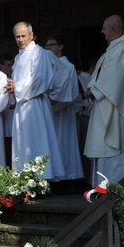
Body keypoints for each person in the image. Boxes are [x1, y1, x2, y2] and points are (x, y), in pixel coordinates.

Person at [84, 15, 124, 186]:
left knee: (116, 143)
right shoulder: (114, 49)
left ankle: (119, 183)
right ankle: (105, 184)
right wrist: (92, 88)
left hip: (116, 106)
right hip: (105, 104)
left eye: (104, 28)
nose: (102, 32)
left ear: (114, 30)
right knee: (105, 143)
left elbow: (114, 78)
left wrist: (94, 91)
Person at [8, 22, 64, 180]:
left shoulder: (39, 53)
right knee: (22, 141)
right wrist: (11, 86)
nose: (20, 39)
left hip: (35, 104)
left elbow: (39, 79)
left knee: (37, 141)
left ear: (31, 36)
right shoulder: (19, 57)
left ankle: (41, 178)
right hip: (21, 105)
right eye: (17, 36)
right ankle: (24, 177)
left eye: (23, 36)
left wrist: (16, 87)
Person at [45, 36, 84, 181]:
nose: (49, 49)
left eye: (52, 45)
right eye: (47, 46)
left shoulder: (68, 67)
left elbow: (73, 92)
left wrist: (56, 101)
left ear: (61, 47)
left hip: (64, 111)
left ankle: (67, 177)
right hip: (51, 112)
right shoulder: (48, 65)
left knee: (65, 144)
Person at [0, 53, 15, 167]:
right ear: (1, 66)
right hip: (2, 118)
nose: (11, 68)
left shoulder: (14, 79)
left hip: (13, 117)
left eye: (12, 65)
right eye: (8, 65)